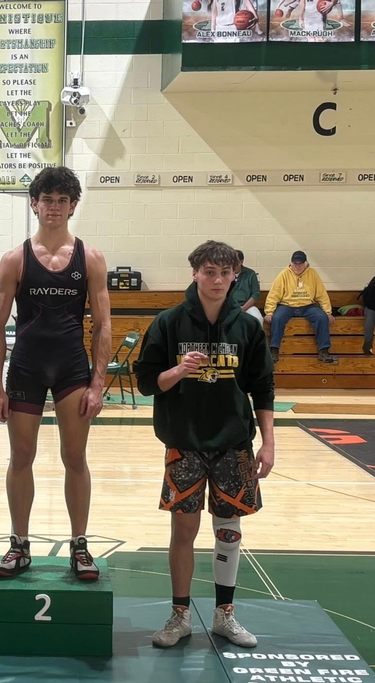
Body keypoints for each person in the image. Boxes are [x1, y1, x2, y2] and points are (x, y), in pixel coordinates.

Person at [133, 240, 274, 649]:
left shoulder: (248, 327)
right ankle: (179, 616)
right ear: (195, 273)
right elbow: (146, 384)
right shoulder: (168, 323)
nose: (217, 280)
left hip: (234, 443)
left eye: (225, 273)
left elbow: (263, 387)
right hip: (185, 442)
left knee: (229, 530)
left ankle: (224, 615)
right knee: (184, 530)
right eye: (209, 272)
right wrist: (178, 370)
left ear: (235, 277)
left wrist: (269, 443)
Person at [0, 166, 112, 581]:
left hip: (71, 370)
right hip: (27, 368)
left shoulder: (90, 258)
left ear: (72, 206)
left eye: (62, 200)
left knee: (74, 457)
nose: (53, 207)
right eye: (47, 200)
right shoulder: (15, 259)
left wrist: (98, 383)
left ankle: (80, 545)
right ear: (34, 204)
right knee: (21, 457)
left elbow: (104, 325)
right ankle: (19, 545)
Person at [264, 251, 337, 364]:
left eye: (300, 263)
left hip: (308, 306)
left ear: (305, 263)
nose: (297, 266)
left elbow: (321, 294)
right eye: (295, 263)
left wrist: (328, 312)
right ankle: (274, 351)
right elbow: (274, 294)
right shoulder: (283, 274)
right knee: (277, 318)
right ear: (291, 263)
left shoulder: (313, 274)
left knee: (322, 318)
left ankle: (324, 351)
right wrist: (269, 311)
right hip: (287, 305)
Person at [229, 250, 262, 325]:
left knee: (258, 318)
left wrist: (243, 309)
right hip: (229, 306)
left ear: (241, 262)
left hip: (247, 306)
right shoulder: (226, 274)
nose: (233, 265)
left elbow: (256, 294)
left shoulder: (251, 274)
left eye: (235, 262)